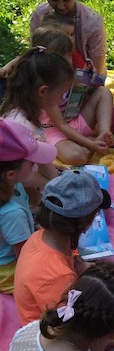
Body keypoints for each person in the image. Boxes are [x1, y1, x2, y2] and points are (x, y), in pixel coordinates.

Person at [13, 168, 112, 324]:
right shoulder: (59, 276)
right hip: (50, 331)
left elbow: (77, 264)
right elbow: (68, 326)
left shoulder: (40, 236)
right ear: (86, 224)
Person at [31, 24, 114, 165]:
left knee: (103, 93)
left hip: (73, 121)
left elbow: (83, 94)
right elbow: (61, 125)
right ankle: (91, 144)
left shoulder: (67, 69)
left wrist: (85, 80)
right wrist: (90, 144)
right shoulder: (46, 89)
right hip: (53, 131)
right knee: (77, 157)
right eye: (68, 56)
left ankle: (103, 133)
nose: (71, 59)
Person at [0, 46, 74, 183]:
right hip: (12, 183)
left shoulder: (21, 109)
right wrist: (54, 181)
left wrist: (54, 170)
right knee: (53, 185)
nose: (62, 99)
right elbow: (16, 175)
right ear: (43, 91)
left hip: (19, 173)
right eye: (62, 93)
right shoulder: (19, 126)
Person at [0, 120, 57, 293]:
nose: (35, 165)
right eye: (32, 163)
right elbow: (27, 259)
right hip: (7, 269)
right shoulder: (12, 213)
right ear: (10, 174)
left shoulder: (12, 185)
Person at [29, 0, 107, 74]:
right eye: (53, 0)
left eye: (66, 0)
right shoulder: (40, 15)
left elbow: (97, 67)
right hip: (47, 73)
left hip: (84, 77)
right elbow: (33, 53)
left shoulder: (92, 22)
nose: (60, 6)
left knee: (102, 92)